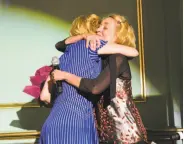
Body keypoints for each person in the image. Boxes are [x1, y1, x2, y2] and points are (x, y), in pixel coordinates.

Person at [39, 14, 139, 144]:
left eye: (105, 27)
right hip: (97, 130)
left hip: (122, 133)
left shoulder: (116, 57)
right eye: (98, 27)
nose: (98, 30)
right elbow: (60, 45)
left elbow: (95, 87)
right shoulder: (94, 54)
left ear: (117, 35)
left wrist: (65, 76)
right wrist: (83, 36)